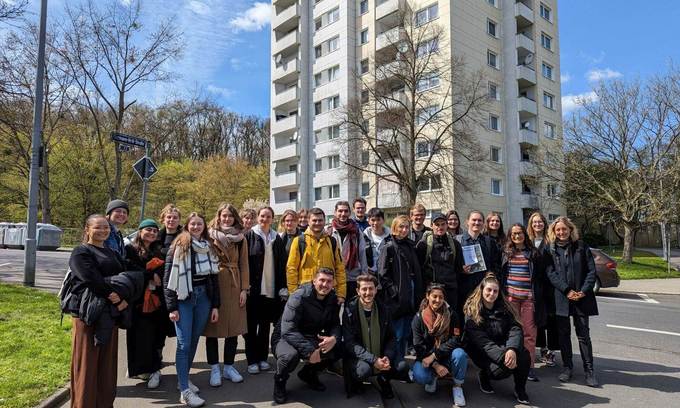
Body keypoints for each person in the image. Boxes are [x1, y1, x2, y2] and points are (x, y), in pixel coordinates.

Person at [68, 214, 127, 408]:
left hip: (110, 314)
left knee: (106, 365)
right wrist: (113, 295)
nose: (103, 230)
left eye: (106, 227)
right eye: (97, 227)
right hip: (89, 315)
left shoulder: (112, 252)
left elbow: (123, 274)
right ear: (87, 230)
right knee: (87, 364)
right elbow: (89, 277)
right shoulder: (81, 252)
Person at [164, 212, 221, 407]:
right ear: (187, 226)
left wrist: (215, 305)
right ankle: (184, 391)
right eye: (193, 224)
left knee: (194, 339)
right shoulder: (180, 245)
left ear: (204, 226)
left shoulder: (208, 246)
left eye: (200, 224)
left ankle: (184, 379)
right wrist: (171, 306)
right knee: (183, 344)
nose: (196, 227)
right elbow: (168, 279)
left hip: (203, 297)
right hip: (184, 298)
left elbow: (214, 278)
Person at [273, 268, 342, 404]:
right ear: (314, 281)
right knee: (289, 356)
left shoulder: (332, 298)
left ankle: (308, 374)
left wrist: (334, 338)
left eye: (329, 281)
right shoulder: (299, 296)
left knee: (339, 347)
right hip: (284, 337)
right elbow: (288, 330)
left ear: (333, 283)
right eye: (321, 280)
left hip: (309, 336)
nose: (325, 284)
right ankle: (280, 382)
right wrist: (310, 350)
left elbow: (335, 324)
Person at [545, 216, 599, 387]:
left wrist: (583, 291)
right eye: (558, 230)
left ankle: (589, 371)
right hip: (562, 297)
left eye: (564, 229)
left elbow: (591, 271)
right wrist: (567, 290)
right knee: (564, 335)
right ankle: (567, 368)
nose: (561, 232)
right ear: (554, 232)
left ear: (570, 230)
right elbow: (550, 273)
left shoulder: (581, 247)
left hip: (582, 298)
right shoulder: (550, 249)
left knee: (583, 336)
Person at [464, 274, 531, 405]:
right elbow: (484, 343)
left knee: (524, 355)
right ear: (482, 290)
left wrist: (511, 349)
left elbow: (515, 329)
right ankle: (484, 375)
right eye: (489, 290)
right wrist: (504, 357)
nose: (492, 293)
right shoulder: (472, 313)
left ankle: (520, 389)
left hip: (503, 346)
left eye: (495, 291)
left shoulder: (505, 308)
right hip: (481, 352)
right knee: (502, 370)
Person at [203, 203, 249, 386]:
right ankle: (214, 368)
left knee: (233, 329)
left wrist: (244, 289)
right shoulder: (209, 235)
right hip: (214, 282)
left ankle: (229, 367)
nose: (227, 219)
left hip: (234, 282)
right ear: (218, 216)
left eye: (230, 216)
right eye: (224, 215)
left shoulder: (241, 238)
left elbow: (244, 264)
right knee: (212, 330)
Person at [342, 274, 406, 399]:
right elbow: (350, 343)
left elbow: (391, 337)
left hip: (381, 353)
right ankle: (357, 382)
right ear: (357, 291)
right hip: (360, 356)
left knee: (402, 367)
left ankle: (384, 379)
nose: (367, 292)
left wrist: (387, 356)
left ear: (376, 290)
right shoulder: (350, 310)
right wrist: (373, 360)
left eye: (371, 289)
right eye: (364, 289)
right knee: (363, 371)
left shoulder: (384, 309)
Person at [500, 223, 547, 382]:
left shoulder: (533, 253)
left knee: (529, 334)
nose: (517, 236)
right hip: (511, 299)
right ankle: (512, 363)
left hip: (528, 299)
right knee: (512, 332)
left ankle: (529, 366)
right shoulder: (506, 253)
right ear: (510, 236)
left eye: (519, 233)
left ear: (524, 235)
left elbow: (539, 276)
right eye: (513, 234)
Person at [124, 219, 168, 389]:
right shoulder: (130, 249)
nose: (151, 233)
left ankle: (155, 369)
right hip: (138, 299)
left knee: (155, 336)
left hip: (156, 300)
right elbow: (128, 267)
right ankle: (138, 368)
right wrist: (149, 275)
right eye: (148, 230)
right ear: (140, 231)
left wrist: (155, 273)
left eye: (155, 231)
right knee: (137, 335)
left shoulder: (159, 251)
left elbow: (164, 271)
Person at [244, 206, 288, 375]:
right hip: (253, 290)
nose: (265, 219)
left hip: (270, 290)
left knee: (264, 327)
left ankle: (262, 358)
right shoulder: (249, 236)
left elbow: (281, 264)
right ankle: (251, 359)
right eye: (262, 216)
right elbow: (244, 262)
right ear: (258, 218)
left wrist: (282, 287)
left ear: (272, 219)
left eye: (268, 216)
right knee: (250, 326)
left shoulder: (276, 237)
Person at [411, 284, 467, 407]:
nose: (437, 300)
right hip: (426, 357)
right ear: (427, 296)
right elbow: (418, 346)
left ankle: (457, 386)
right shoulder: (418, 318)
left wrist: (436, 354)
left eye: (440, 297)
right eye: (434, 296)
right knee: (419, 375)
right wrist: (435, 365)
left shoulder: (452, 315)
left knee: (460, 354)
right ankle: (433, 378)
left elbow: (455, 339)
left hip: (445, 355)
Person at [377, 215, 424, 364]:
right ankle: (394, 363)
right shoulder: (389, 247)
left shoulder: (410, 245)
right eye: (401, 227)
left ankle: (401, 362)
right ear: (395, 228)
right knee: (396, 333)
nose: (404, 230)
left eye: (406, 227)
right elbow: (382, 275)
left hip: (411, 291)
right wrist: (394, 292)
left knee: (406, 332)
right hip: (397, 296)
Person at [286, 207, 347, 301]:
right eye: (314, 220)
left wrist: (341, 294)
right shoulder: (299, 241)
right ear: (308, 221)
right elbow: (291, 269)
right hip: (305, 293)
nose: (317, 223)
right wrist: (294, 293)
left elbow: (340, 268)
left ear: (324, 221)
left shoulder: (332, 241)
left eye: (320, 220)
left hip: (328, 291)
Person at [455, 210, 501, 322]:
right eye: (474, 220)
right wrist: (460, 270)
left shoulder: (489, 242)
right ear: (467, 222)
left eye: (479, 220)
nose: (476, 223)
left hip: (484, 291)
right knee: (466, 322)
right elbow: (451, 266)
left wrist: (492, 276)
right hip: (464, 290)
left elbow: (496, 263)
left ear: (483, 223)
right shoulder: (457, 240)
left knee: (484, 322)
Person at [416, 212, 464, 317]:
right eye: (437, 224)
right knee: (431, 320)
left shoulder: (455, 244)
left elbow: (458, 268)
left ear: (447, 225)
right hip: (432, 290)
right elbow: (418, 269)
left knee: (451, 318)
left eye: (443, 224)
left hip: (450, 289)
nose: (440, 227)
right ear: (432, 226)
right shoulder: (423, 245)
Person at [527, 212, 559, 367]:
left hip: (550, 286)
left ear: (545, 223)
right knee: (537, 318)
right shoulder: (529, 241)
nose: (537, 224)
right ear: (531, 225)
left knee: (552, 319)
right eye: (534, 222)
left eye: (540, 222)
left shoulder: (551, 241)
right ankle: (542, 348)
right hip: (534, 286)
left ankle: (552, 351)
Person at [325, 201, 368, 299]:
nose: (343, 214)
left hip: (353, 277)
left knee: (351, 310)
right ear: (335, 212)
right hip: (333, 277)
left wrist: (364, 278)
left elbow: (362, 255)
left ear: (349, 213)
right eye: (340, 211)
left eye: (346, 211)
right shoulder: (328, 231)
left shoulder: (356, 231)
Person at [363, 207, 391, 274]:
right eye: (373, 220)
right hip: (370, 274)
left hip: (387, 273)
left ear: (383, 220)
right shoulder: (363, 237)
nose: (375, 223)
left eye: (378, 220)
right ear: (369, 221)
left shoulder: (391, 236)